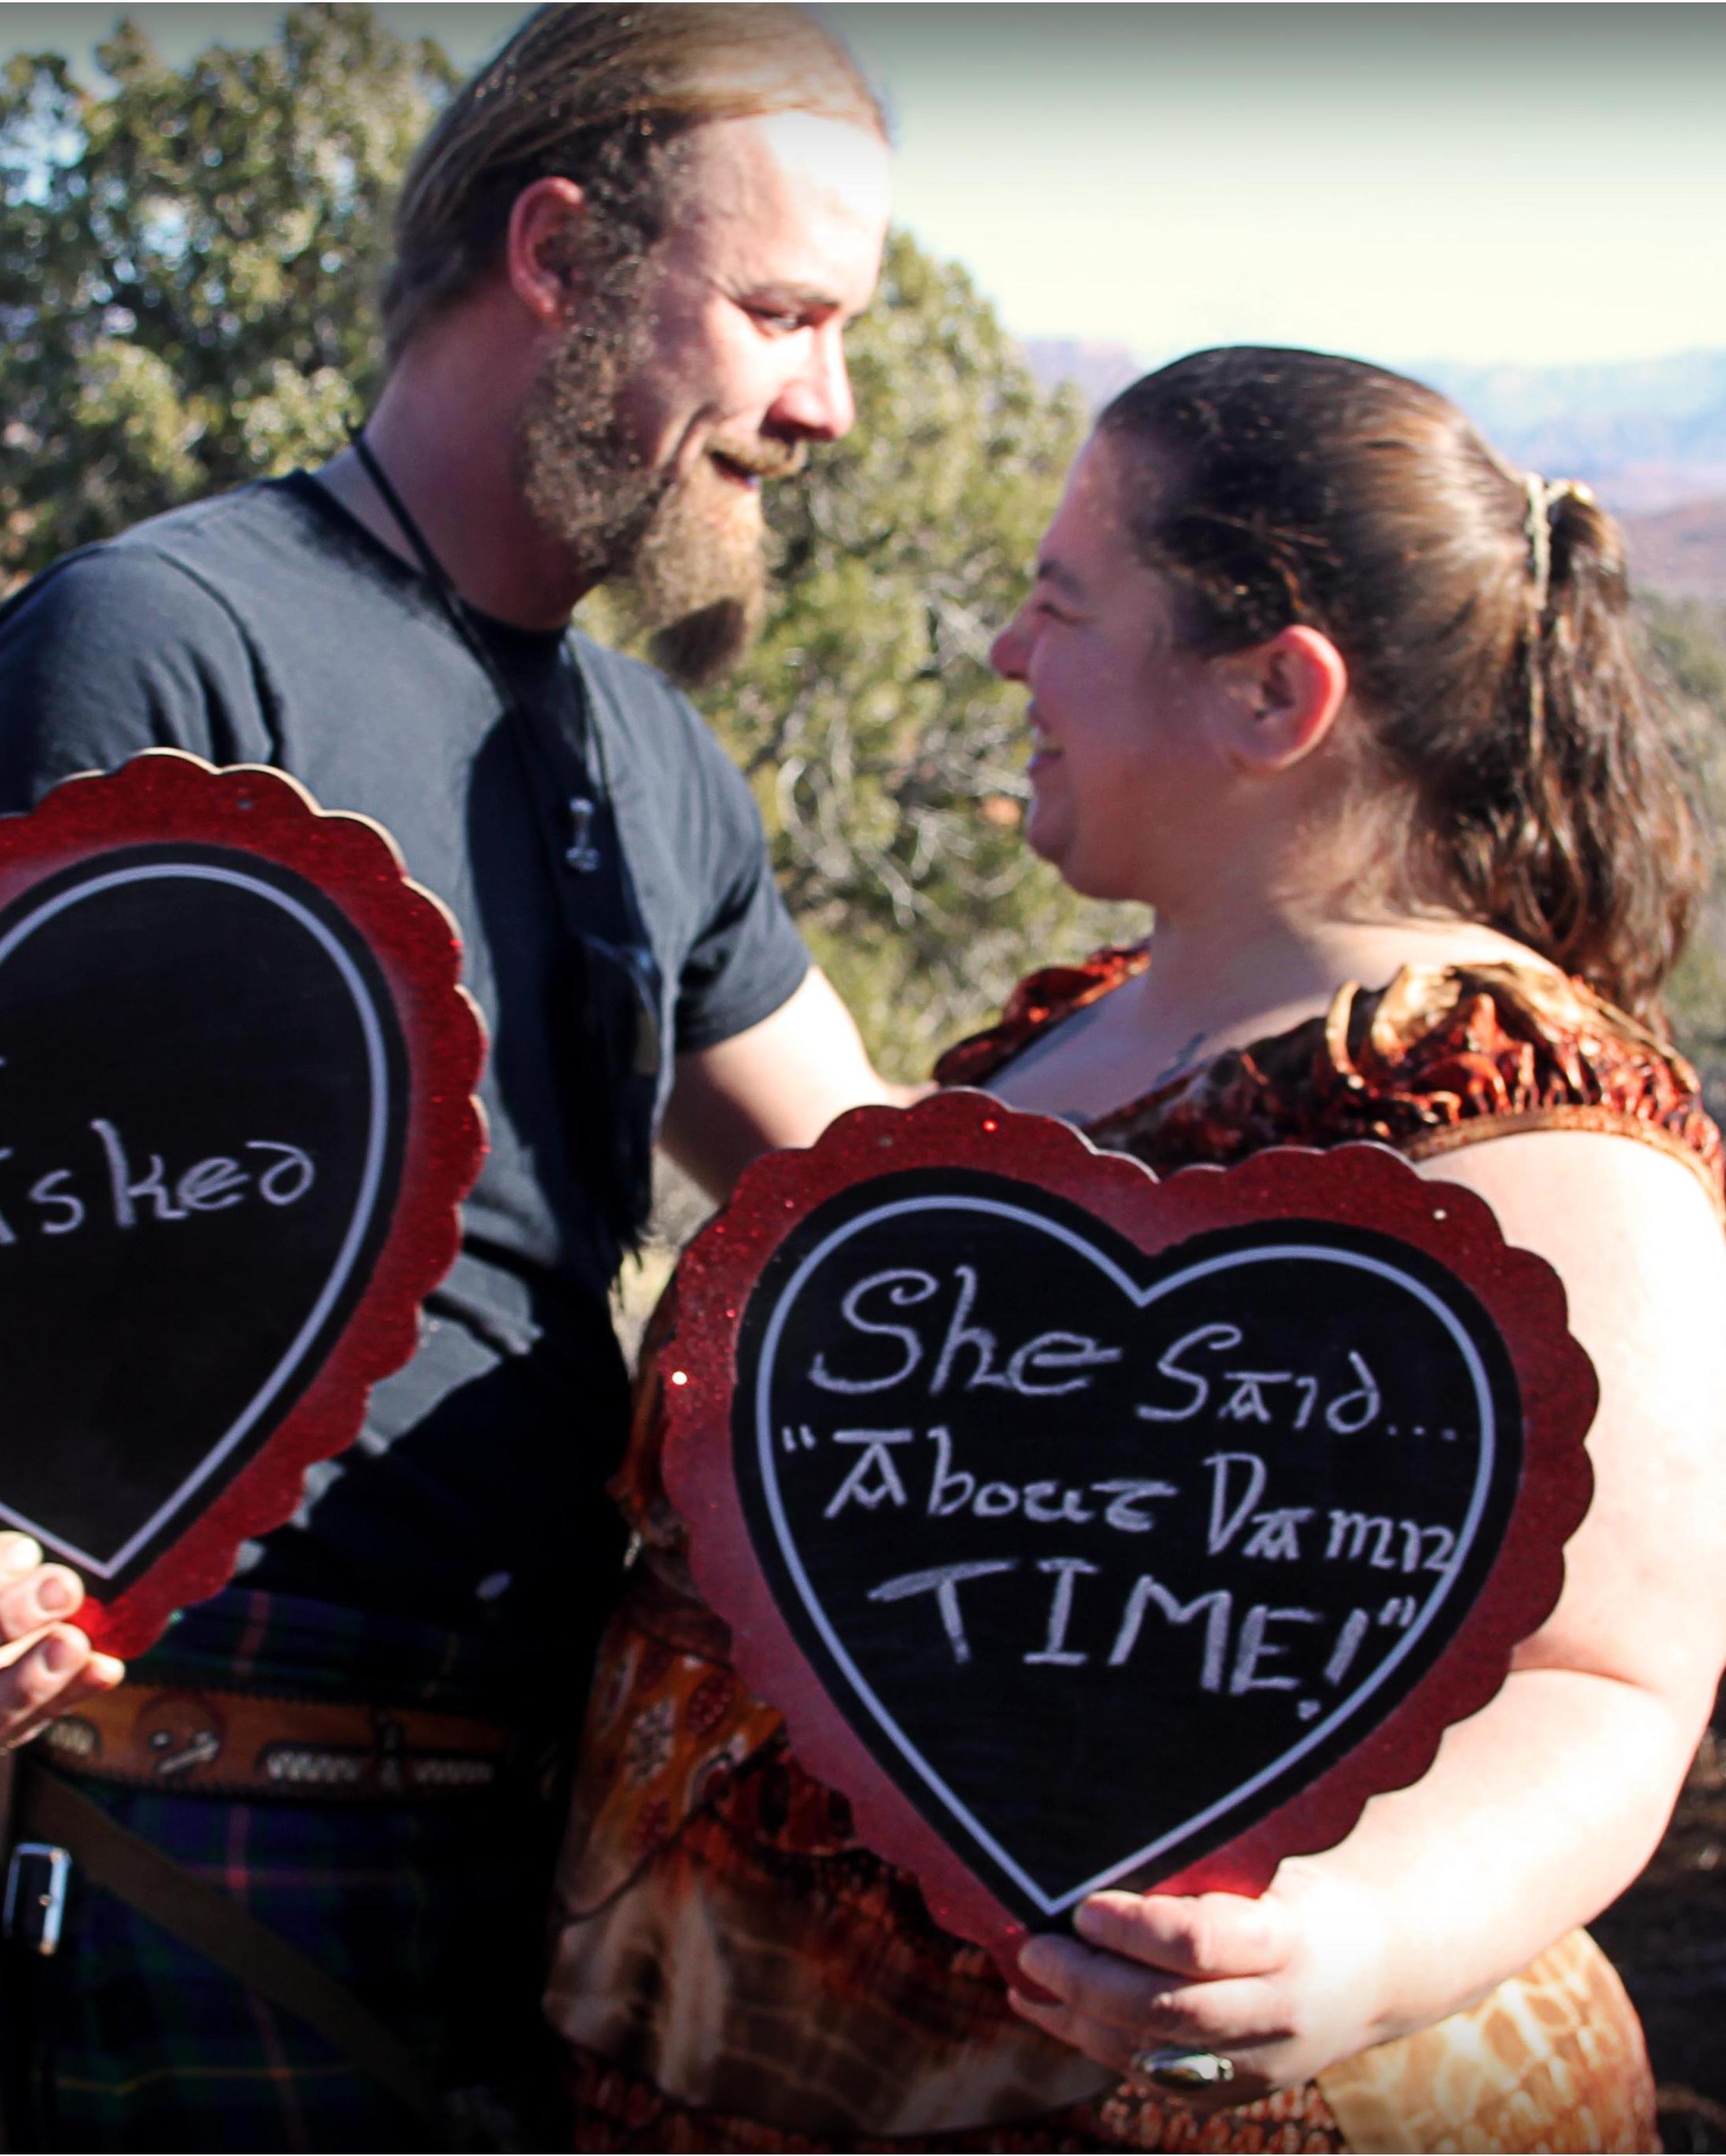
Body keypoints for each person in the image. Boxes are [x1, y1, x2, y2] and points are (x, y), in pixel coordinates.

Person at [0, 8, 903, 2147]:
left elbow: (875, 1214)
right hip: (208, 1836)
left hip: (561, 1863)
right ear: (556, 253)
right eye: (782, 313)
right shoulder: (161, 646)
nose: (827, 404)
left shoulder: (645, 757)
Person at [549, 346, 1726, 2153]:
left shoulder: (1534, 1122)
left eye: (1058, 606)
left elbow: (1612, 1683)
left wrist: (1352, 1940)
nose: (1009, 657)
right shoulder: (1058, 1038)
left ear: (1273, 690)